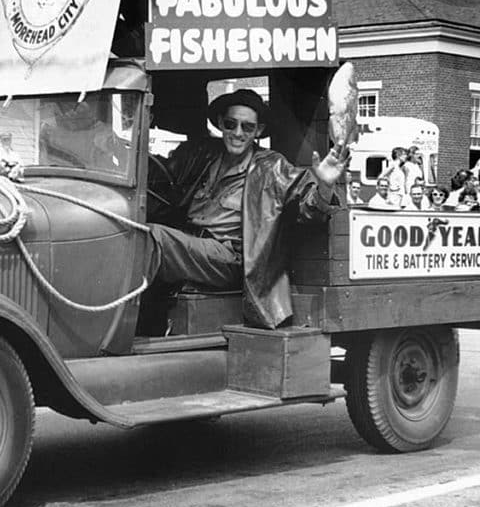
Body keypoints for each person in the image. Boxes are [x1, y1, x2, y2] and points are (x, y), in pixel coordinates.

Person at [144, 89, 345, 330]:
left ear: (258, 131)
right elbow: (162, 176)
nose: (237, 133)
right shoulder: (203, 155)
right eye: (231, 124)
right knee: (131, 231)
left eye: (247, 127)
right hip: (191, 246)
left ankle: (119, 325)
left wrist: (325, 184)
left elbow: (309, 208)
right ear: (220, 124)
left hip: (231, 259)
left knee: (152, 237)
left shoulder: (271, 167)